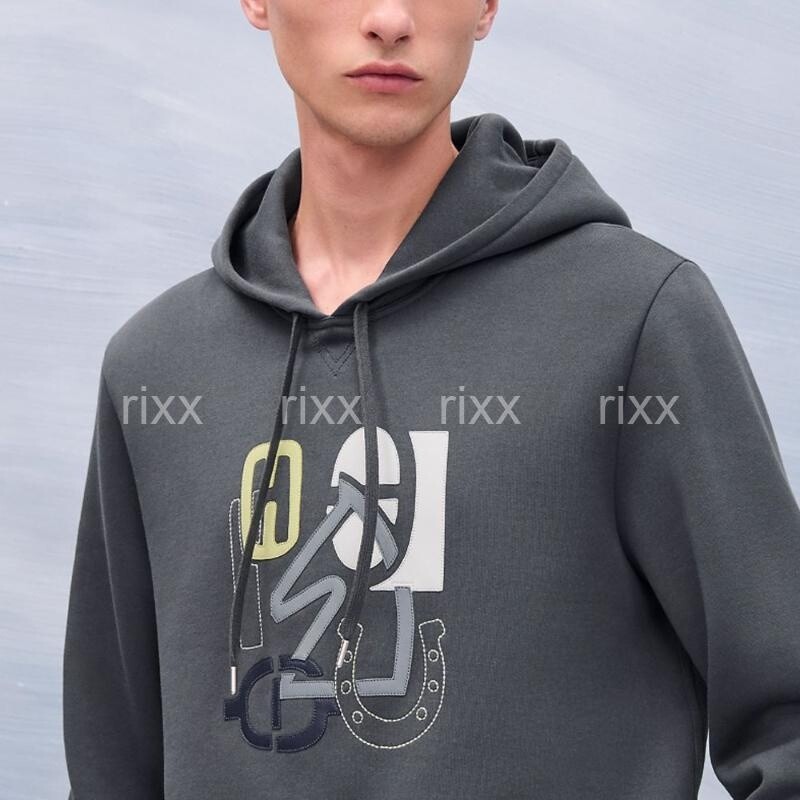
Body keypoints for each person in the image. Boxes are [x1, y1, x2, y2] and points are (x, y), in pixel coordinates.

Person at [62, 1, 800, 798]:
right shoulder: (157, 369)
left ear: (485, 7)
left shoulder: (633, 319)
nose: (389, 18)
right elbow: (112, 772)